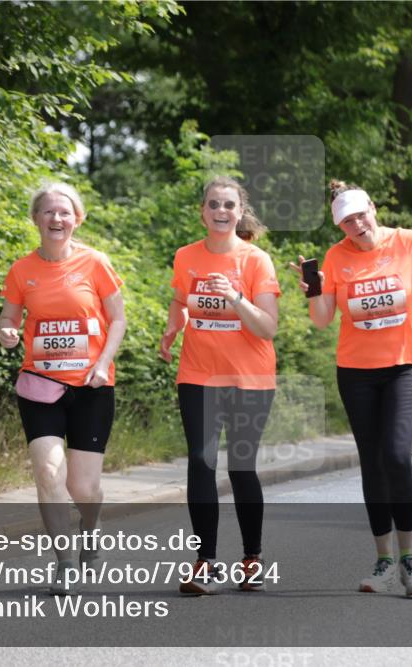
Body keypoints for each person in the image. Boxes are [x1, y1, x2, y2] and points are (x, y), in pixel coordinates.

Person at [290, 160, 412, 596]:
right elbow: (322, 322)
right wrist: (315, 290)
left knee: (397, 456)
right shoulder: (337, 258)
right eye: (346, 221)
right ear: (339, 226)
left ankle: (411, 559)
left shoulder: (406, 242)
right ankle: (382, 561)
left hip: (404, 367)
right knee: (372, 464)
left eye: (360, 215)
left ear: (373, 209)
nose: (357, 225)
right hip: (355, 373)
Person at [0, 182, 127, 593]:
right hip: (40, 385)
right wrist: (7, 333)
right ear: (36, 219)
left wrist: (104, 362)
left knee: (82, 488)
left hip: (91, 385)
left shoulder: (96, 263)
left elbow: (118, 319)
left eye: (65, 212)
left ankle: (91, 525)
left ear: (78, 219)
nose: (57, 218)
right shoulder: (22, 270)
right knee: (48, 472)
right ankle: (65, 562)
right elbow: (8, 319)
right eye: (49, 212)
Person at [159, 176, 280, 595]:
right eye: (214, 204)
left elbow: (267, 328)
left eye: (229, 205)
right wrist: (172, 329)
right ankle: (206, 563)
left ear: (240, 211)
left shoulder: (255, 261)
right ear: (203, 211)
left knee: (241, 468)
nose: (221, 211)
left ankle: (251, 558)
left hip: (250, 378)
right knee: (201, 461)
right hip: (198, 374)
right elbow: (181, 299)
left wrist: (235, 297)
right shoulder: (186, 257)